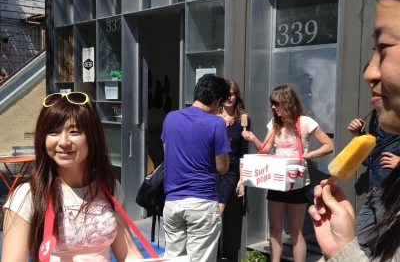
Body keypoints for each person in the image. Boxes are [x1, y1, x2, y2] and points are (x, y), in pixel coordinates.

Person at [308, 0, 400, 261]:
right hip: (380, 187)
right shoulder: (380, 118)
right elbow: (372, 148)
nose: (370, 73)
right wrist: (342, 249)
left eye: (383, 48)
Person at [2, 92, 143, 261]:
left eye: (74, 131)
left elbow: (128, 253)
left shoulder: (110, 187)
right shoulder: (26, 196)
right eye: (53, 132)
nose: (63, 142)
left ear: (92, 137)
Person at [242, 85, 334, 262]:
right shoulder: (275, 124)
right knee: (275, 230)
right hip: (276, 180)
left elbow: (329, 146)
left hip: (297, 181)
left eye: (276, 104)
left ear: (287, 102)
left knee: (295, 231)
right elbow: (265, 150)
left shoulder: (305, 122)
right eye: (272, 104)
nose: (273, 108)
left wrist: (308, 155)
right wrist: (253, 138)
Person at [161, 74, 231, 262]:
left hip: (172, 201)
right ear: (217, 101)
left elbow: (167, 152)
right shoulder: (216, 123)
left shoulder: (171, 118)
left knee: (173, 258)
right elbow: (222, 168)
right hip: (202, 201)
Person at [347, 110, 400, 256]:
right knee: (357, 243)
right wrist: (360, 135)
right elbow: (370, 157)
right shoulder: (380, 110)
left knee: (391, 246)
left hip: (392, 189)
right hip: (376, 188)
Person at [216, 79, 249, 214]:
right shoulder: (213, 117)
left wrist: (242, 179)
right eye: (226, 94)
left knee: (219, 211)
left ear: (237, 96)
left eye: (232, 94)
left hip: (230, 170)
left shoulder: (243, 120)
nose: (229, 98)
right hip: (210, 169)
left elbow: (243, 152)